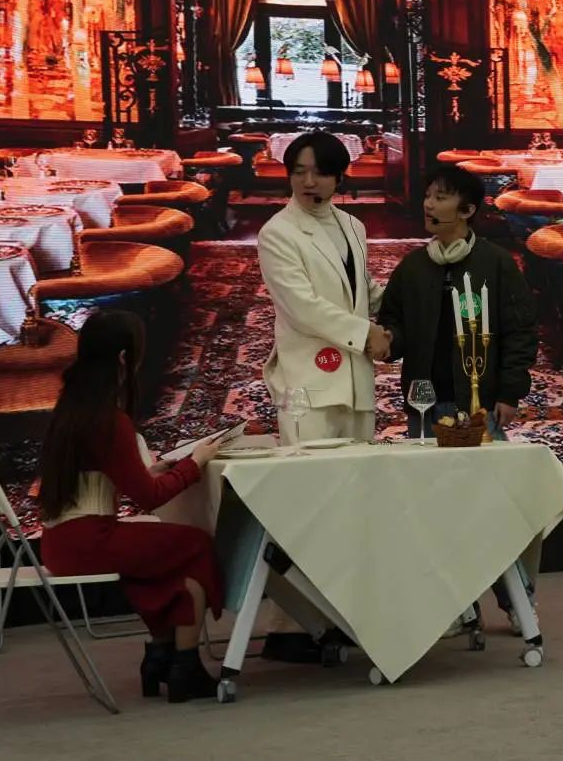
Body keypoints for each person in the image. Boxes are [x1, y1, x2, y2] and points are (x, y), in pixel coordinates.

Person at [377, 164, 539, 632]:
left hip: (477, 405)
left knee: (490, 506)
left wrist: (509, 390)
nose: (429, 204)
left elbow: (520, 330)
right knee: (434, 508)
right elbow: (394, 323)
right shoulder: (413, 266)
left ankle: (517, 600)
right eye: (428, 195)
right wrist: (386, 340)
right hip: (426, 404)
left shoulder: (496, 264)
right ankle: (452, 603)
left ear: (467, 210)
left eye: (441, 197)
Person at [39, 310, 224, 704]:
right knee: (195, 545)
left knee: (167, 555)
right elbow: (150, 498)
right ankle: (183, 665)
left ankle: (162, 656)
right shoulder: (109, 419)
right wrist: (195, 463)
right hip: (88, 541)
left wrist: (154, 471)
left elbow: (106, 475)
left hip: (60, 542)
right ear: (124, 357)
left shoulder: (71, 407)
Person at [256, 129, 389, 660]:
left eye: (320, 172)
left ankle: (341, 617)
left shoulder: (353, 226)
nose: (309, 182)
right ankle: (290, 629)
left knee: (353, 504)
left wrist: (402, 308)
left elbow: (364, 293)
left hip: (355, 379)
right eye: (299, 171)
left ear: (339, 177)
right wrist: (365, 334)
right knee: (307, 506)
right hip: (308, 381)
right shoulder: (277, 233)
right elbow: (303, 307)